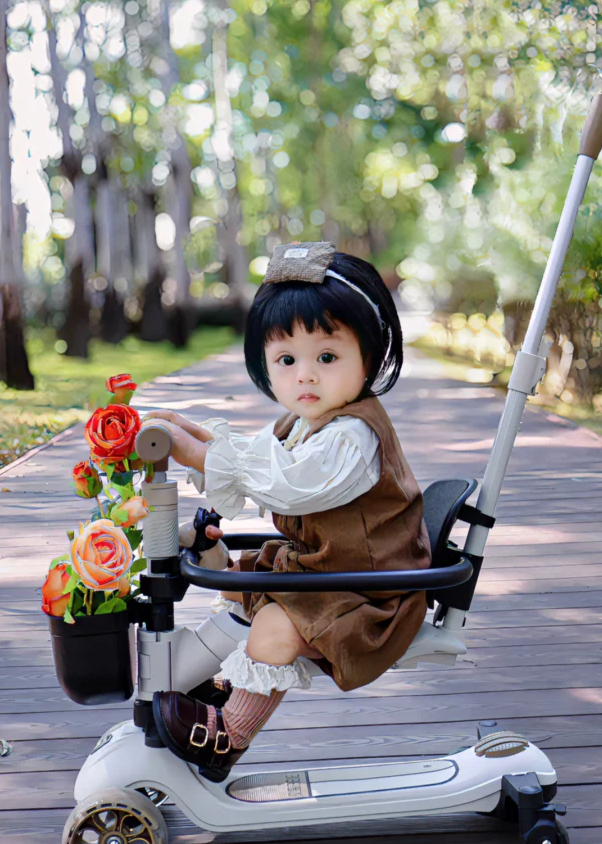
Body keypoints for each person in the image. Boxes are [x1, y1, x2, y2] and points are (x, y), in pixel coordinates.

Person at [144, 241, 430, 781]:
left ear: (366, 358)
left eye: (327, 357)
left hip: (372, 593)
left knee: (275, 622)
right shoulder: (301, 423)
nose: (305, 375)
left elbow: (292, 486)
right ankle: (229, 683)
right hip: (329, 571)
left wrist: (201, 454)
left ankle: (226, 737)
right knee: (240, 582)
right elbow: (254, 457)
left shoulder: (352, 436)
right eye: (286, 360)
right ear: (266, 366)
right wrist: (190, 434)